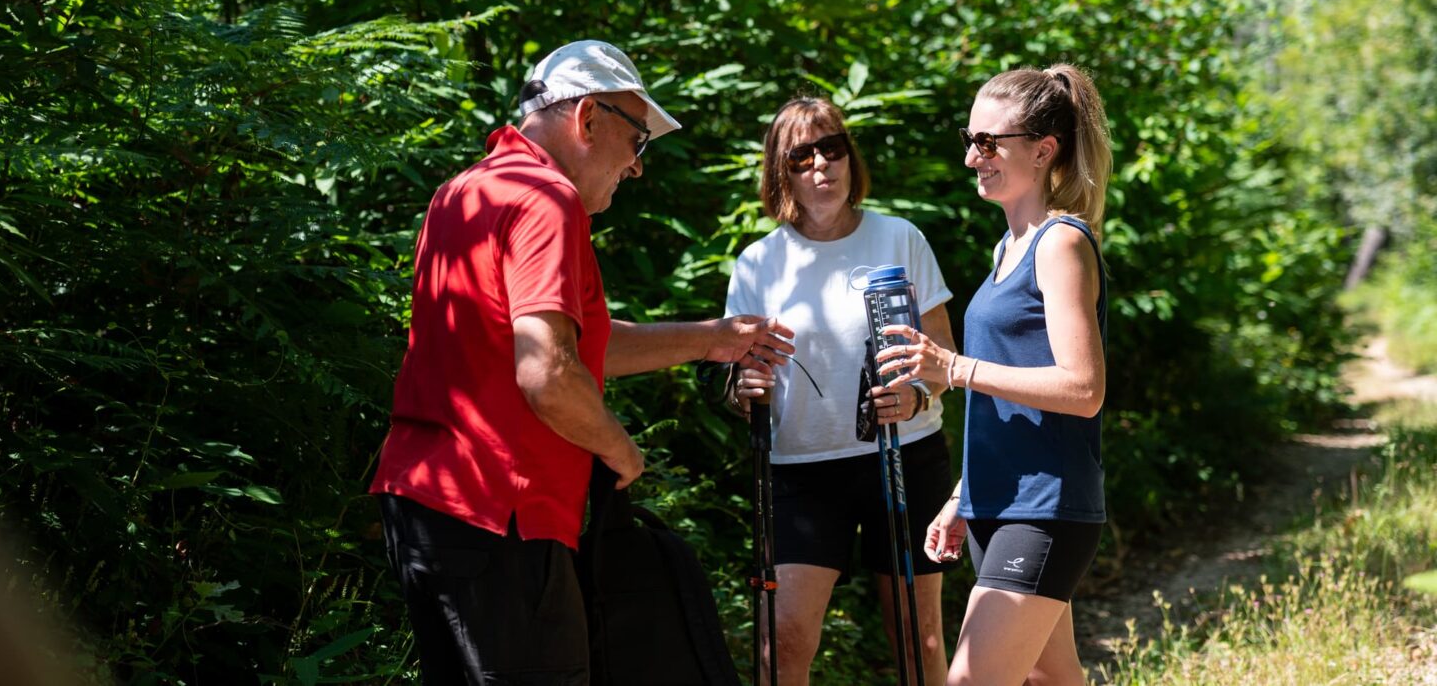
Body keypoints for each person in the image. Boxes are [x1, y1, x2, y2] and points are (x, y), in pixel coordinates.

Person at [369, 39, 796, 685]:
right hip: (503, 510)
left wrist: (712, 338)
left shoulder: (467, 191)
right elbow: (548, 373)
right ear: (588, 117)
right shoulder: (547, 199)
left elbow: (566, 346)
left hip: (426, 505)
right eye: (638, 140)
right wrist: (621, 450)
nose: (637, 166)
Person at [877, 64, 1112, 686]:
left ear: (1043, 150)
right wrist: (962, 496)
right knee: (1052, 679)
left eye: (990, 142)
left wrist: (953, 368)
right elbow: (1009, 403)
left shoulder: (1060, 244)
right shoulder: (1006, 250)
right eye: (969, 139)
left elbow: (1083, 390)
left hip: (1045, 508)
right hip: (996, 505)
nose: (973, 157)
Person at [728, 96, 957, 686]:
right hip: (802, 470)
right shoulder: (757, 264)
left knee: (918, 636)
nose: (821, 167)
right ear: (782, 171)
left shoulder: (899, 238)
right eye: (802, 157)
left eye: (832, 149)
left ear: (851, 158)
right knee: (784, 643)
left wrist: (916, 398)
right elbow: (737, 378)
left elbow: (942, 361)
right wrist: (742, 386)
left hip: (904, 456)